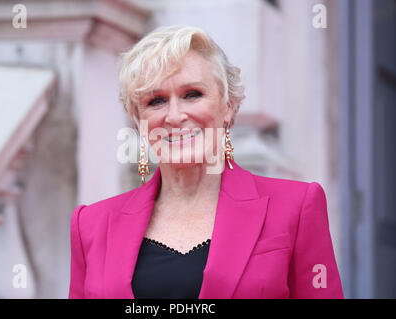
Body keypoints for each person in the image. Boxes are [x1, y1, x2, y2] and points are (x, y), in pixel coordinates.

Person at [68, 25, 344, 299]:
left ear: (228, 106)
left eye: (192, 94)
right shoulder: (91, 225)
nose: (174, 116)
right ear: (138, 120)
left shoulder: (296, 207)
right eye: (156, 100)